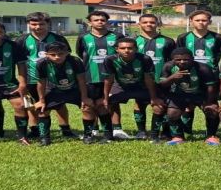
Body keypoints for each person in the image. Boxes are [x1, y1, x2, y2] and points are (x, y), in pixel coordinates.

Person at [16, 12, 74, 138]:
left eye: (41, 24)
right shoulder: (22, 40)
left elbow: (67, 57)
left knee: (59, 104)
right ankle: (35, 129)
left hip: (54, 79)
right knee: (31, 105)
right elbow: (19, 63)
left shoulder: (58, 39)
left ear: (48, 24)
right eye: (34, 24)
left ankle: (66, 129)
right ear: (28, 24)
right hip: (31, 79)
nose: (38, 27)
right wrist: (22, 81)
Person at [103, 38, 165, 142]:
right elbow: (109, 80)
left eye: (130, 48)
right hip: (120, 86)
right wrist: (105, 98)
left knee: (158, 105)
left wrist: (154, 98)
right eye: (123, 48)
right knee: (106, 105)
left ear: (136, 49)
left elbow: (148, 79)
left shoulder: (145, 59)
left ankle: (152, 135)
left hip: (141, 87)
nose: (126, 50)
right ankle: (110, 134)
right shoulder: (110, 59)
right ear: (117, 49)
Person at [34, 42, 94, 146]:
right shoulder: (41, 63)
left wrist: (84, 98)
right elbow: (41, 83)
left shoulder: (75, 61)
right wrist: (41, 100)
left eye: (61, 54)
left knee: (87, 107)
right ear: (46, 54)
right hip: (55, 90)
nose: (57, 57)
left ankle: (88, 135)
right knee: (42, 110)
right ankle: (44, 138)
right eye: (53, 55)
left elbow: (81, 80)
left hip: (74, 89)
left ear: (67, 53)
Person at [76, 10, 123, 139]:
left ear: (107, 22)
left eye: (102, 20)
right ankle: (94, 129)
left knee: (111, 103)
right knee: (92, 103)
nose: (100, 22)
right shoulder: (83, 37)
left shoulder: (116, 36)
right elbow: (81, 54)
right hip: (91, 76)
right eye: (96, 20)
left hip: (112, 77)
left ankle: (117, 128)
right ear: (90, 22)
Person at [159, 48, 220, 145]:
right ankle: (178, 137)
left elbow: (211, 87)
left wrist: (209, 102)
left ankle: (211, 136)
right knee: (172, 113)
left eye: (186, 59)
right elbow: (162, 84)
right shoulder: (168, 66)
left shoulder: (203, 68)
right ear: (172, 59)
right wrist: (172, 78)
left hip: (200, 95)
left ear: (192, 58)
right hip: (179, 94)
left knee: (212, 110)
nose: (182, 62)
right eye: (178, 60)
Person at [176, 10, 221, 134]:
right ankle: (187, 131)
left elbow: (218, 55)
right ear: (191, 21)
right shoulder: (183, 37)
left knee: (210, 103)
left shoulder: (217, 37)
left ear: (209, 22)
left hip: (211, 78)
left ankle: (211, 133)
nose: (201, 22)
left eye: (204, 20)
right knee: (188, 105)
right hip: (188, 76)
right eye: (197, 20)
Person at [133, 13, 175, 139]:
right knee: (139, 103)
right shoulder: (134, 41)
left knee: (164, 104)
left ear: (157, 24)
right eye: (145, 22)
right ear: (139, 24)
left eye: (152, 22)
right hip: (141, 80)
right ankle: (141, 131)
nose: (148, 25)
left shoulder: (168, 41)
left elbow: (173, 61)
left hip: (162, 79)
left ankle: (166, 131)